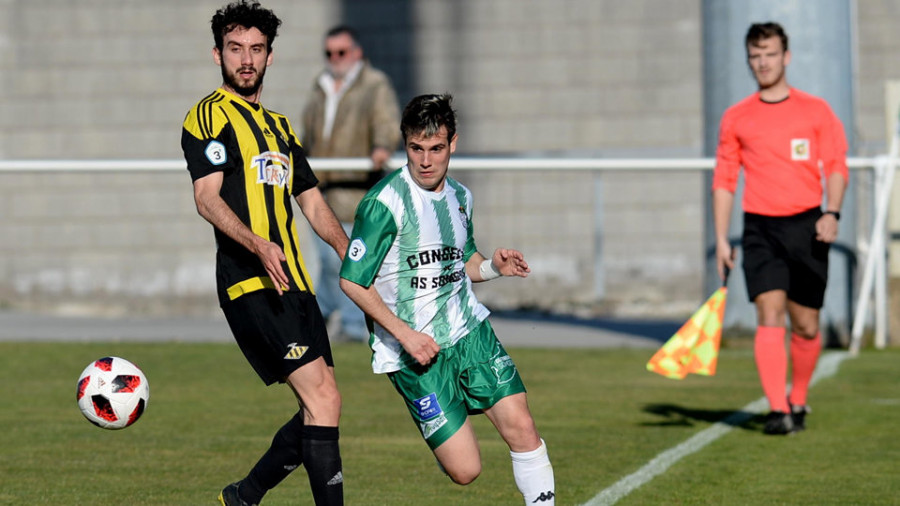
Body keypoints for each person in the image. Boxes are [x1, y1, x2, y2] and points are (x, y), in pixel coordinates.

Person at [339, 94, 556, 505]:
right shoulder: (383, 204)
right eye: (416, 149)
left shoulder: (461, 196)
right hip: (414, 352)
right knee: (466, 470)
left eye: (436, 148)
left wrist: (493, 266)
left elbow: (463, 261)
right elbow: (352, 282)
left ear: (453, 143)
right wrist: (406, 336)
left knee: (522, 427)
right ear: (406, 144)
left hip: (469, 329)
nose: (425, 160)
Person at [180, 1, 346, 504]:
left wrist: (352, 256)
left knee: (324, 405)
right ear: (218, 55)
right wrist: (257, 244)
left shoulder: (280, 125)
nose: (246, 59)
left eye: (256, 49)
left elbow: (313, 203)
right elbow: (206, 198)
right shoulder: (207, 117)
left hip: (296, 284)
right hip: (251, 281)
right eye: (236, 49)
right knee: (322, 399)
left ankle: (244, 496)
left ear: (270, 57)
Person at [712, 22, 848, 435]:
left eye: (769, 53)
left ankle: (799, 398)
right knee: (768, 312)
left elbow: (837, 166)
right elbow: (724, 180)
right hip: (760, 230)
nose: (763, 62)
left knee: (805, 324)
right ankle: (777, 410)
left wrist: (833, 212)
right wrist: (721, 238)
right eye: (755, 56)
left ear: (785, 56)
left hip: (808, 225)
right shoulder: (737, 117)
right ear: (748, 60)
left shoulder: (816, 110)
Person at [301, 25, 402, 342]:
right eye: (329, 53)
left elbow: (387, 122)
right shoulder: (322, 86)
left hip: (355, 193)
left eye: (341, 52)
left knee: (344, 262)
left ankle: (349, 324)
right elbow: (309, 133)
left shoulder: (375, 85)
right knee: (329, 262)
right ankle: (324, 312)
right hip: (321, 192)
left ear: (356, 52)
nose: (335, 59)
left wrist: (382, 147)